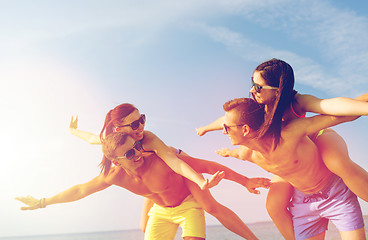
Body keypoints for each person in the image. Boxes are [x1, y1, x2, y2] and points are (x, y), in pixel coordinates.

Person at [197, 58, 368, 238]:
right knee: (274, 205)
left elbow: (331, 107)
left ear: (277, 90)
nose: (251, 90)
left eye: (257, 86)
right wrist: (207, 128)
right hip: (286, 154)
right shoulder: (258, 109)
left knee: (336, 162)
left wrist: (362, 105)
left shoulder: (296, 102)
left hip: (314, 136)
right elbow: (232, 120)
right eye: (252, 83)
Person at [16, 132, 271, 240]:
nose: (137, 154)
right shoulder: (114, 176)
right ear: (115, 161)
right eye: (128, 154)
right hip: (160, 211)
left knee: (211, 208)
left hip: (187, 204)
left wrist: (245, 181)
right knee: (144, 226)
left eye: (136, 147)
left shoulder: (160, 158)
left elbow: (204, 165)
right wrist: (42, 202)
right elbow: (81, 190)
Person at [218, 97, 366, 240]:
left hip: (335, 194)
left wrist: (362, 102)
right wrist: (226, 152)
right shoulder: (245, 153)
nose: (224, 132)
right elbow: (234, 153)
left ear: (245, 129)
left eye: (226, 128)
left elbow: (338, 116)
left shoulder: (288, 134)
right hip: (304, 203)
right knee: (273, 206)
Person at [70, 104, 221, 191]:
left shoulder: (148, 137)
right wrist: (73, 130)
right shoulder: (114, 141)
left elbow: (173, 161)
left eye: (141, 119)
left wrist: (199, 181)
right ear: (119, 129)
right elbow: (91, 138)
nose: (141, 126)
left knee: (207, 204)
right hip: (156, 174)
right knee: (144, 224)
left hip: (176, 155)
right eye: (135, 124)